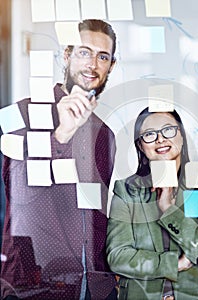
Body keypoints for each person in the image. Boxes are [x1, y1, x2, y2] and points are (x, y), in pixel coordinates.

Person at [1, 19, 118, 300]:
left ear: (111, 66)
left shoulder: (106, 135)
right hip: (33, 285)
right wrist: (61, 135)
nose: (92, 64)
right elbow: (19, 191)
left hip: (92, 286)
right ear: (66, 56)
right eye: (83, 52)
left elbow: (95, 215)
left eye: (102, 56)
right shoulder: (22, 114)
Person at [106, 107, 198, 300]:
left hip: (193, 295)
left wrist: (168, 209)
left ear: (182, 136)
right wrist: (174, 264)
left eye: (168, 130)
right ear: (141, 146)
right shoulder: (127, 190)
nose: (160, 139)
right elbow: (118, 256)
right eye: (149, 134)